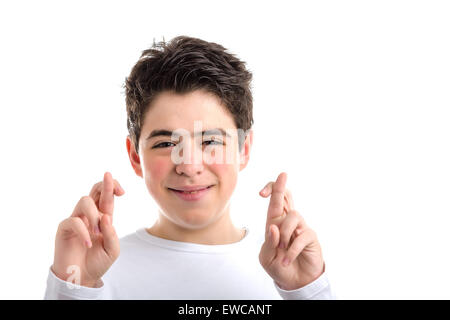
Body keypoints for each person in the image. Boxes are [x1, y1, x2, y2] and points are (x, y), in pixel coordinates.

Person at [44, 36, 335, 299]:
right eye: (166, 144)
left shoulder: (289, 271)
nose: (189, 165)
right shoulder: (95, 272)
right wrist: (72, 289)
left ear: (243, 150)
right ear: (135, 157)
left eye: (210, 140)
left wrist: (307, 291)